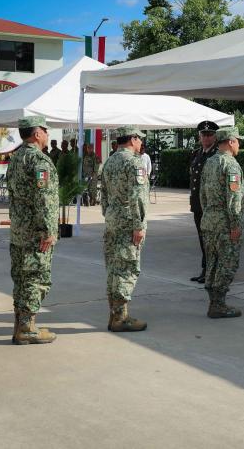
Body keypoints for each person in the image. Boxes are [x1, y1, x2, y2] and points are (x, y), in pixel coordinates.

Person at [6, 116, 59, 345]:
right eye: (45, 130)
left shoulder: (16, 158)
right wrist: (48, 230)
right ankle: (27, 328)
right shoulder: (39, 161)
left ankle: (21, 325)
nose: (48, 134)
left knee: (21, 278)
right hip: (35, 232)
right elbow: (44, 199)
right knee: (35, 279)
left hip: (19, 230)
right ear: (37, 133)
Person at [101, 126, 149, 332]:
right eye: (139, 139)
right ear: (132, 139)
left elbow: (103, 195)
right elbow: (138, 198)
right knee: (127, 267)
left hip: (112, 219)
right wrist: (138, 226)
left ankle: (115, 314)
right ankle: (120, 318)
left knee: (113, 267)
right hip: (128, 222)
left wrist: (109, 214)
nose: (141, 144)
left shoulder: (110, 161)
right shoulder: (134, 162)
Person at [200, 126, 244, 318]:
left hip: (209, 221)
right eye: (238, 140)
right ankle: (218, 304)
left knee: (212, 262)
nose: (239, 145)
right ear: (231, 142)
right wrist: (235, 225)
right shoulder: (231, 165)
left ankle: (214, 302)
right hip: (225, 224)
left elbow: (202, 195)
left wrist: (208, 215)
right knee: (227, 263)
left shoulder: (209, 162)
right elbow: (234, 199)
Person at [189, 120, 219, 283]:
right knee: (203, 238)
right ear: (199, 137)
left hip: (210, 205)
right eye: (203, 135)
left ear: (215, 136)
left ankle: (212, 271)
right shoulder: (196, 153)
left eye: (209, 135)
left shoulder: (217, 155)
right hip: (197, 204)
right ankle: (205, 269)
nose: (206, 138)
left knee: (212, 239)